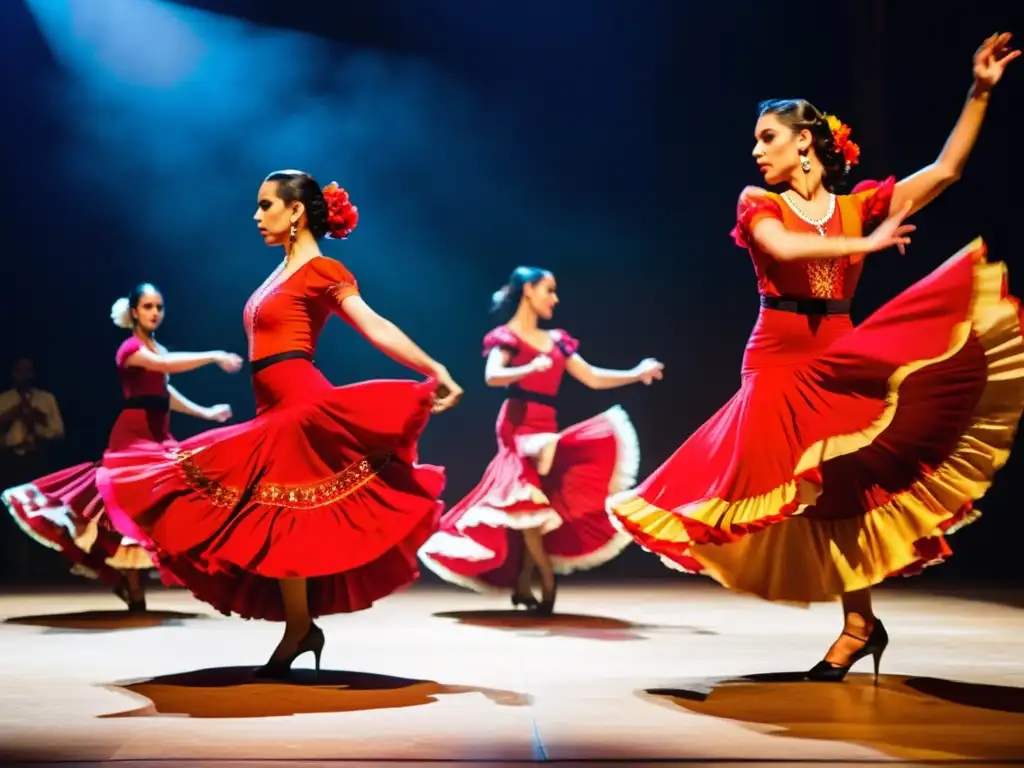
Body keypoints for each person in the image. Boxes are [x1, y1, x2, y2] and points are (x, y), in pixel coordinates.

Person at [607, 33, 1022, 682]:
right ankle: (817, 601)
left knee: (843, 488)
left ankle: (860, 624)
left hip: (840, 353)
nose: (755, 149)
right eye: (755, 140)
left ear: (805, 141)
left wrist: (979, 92)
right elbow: (783, 249)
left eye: (766, 137)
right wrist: (872, 241)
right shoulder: (759, 201)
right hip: (776, 356)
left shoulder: (859, 207)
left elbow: (944, 173)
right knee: (753, 481)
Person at [96, 170, 464, 677]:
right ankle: (300, 626)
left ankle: (299, 628)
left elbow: (373, 325)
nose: (256, 214)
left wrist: (434, 368)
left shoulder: (322, 270)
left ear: (295, 212)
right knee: (282, 514)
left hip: (299, 404)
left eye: (266, 205)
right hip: (272, 409)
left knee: (275, 510)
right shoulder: (280, 271)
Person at [419, 266, 663, 614]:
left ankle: (523, 583)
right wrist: (527, 369)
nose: (555, 298)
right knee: (528, 500)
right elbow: (493, 376)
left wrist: (635, 373)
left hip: (546, 427)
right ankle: (546, 579)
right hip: (518, 428)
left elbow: (591, 377)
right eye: (548, 290)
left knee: (537, 504)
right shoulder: (506, 337)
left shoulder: (557, 340)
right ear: (529, 291)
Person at [2, 284, 240, 609]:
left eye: (159, 306)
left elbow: (164, 392)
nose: (155, 312)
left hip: (159, 435)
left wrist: (205, 412)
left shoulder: (156, 348)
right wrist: (213, 356)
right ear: (134, 312)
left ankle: (145, 578)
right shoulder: (130, 349)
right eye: (147, 307)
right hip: (133, 437)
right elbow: (165, 368)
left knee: (165, 499)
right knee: (126, 505)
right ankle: (131, 584)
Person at [0, 357, 65, 580]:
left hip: (37, 456)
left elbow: (58, 431)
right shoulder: (4, 400)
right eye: (20, 370)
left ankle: (41, 563)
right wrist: (16, 412)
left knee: (42, 509)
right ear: (13, 374)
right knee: (12, 511)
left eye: (28, 371)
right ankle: (15, 565)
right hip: (10, 458)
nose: (24, 375)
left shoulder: (46, 399)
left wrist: (37, 417)